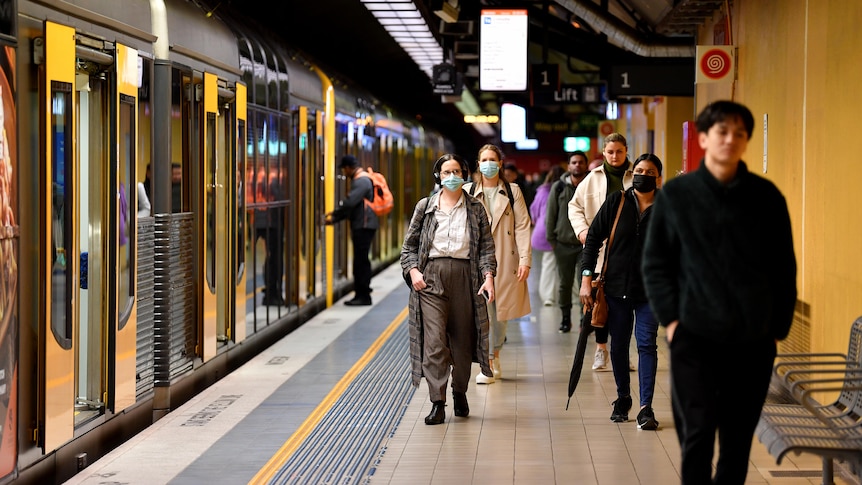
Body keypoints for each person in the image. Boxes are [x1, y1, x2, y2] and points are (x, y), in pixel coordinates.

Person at [642, 101, 797, 484]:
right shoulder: (677, 196)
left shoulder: (766, 197)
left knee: (737, 441)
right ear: (704, 138)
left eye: (739, 134)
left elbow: (784, 267)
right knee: (696, 435)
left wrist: (777, 326)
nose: (730, 139)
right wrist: (673, 321)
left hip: (753, 340)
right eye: (722, 132)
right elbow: (655, 264)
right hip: (694, 337)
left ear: (746, 141)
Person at [401, 153, 497, 425]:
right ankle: (437, 401)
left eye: (457, 171)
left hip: (466, 277)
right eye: (446, 172)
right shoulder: (425, 207)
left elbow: (487, 249)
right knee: (434, 342)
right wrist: (414, 271)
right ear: (438, 176)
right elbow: (408, 247)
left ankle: (459, 391)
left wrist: (488, 276)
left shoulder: (476, 208)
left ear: (464, 175)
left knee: (462, 341)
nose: (452, 177)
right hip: (431, 278)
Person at [580, 153, 663, 429]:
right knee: (618, 345)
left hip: (651, 290)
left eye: (649, 171)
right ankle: (623, 397)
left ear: (658, 178)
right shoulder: (618, 201)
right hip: (615, 288)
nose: (643, 174)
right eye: (639, 170)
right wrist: (585, 279)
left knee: (646, 344)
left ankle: (646, 407)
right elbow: (592, 239)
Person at [465, 144, 531, 384]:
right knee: (481, 312)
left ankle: (495, 355)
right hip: (475, 259)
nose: (489, 163)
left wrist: (525, 260)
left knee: (500, 314)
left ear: (500, 164)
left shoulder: (512, 191)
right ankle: (487, 362)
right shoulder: (468, 190)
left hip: (505, 258)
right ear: (478, 163)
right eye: (484, 159)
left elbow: (523, 226)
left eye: (493, 159)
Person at [568, 133, 633, 371]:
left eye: (619, 152)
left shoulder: (636, 176)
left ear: (626, 151)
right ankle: (601, 350)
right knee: (600, 302)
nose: (615, 156)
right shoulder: (592, 179)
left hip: (627, 251)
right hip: (599, 249)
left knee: (624, 303)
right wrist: (582, 231)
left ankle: (622, 352)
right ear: (604, 153)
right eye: (610, 152)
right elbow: (574, 206)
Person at [324, 155, 379, 306]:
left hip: (364, 225)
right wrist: (335, 218)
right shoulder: (362, 179)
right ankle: (362, 293)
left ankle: (363, 295)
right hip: (363, 224)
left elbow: (350, 203)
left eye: (344, 169)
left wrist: (334, 215)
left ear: (349, 167)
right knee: (361, 260)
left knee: (360, 262)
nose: (344, 172)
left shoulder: (361, 181)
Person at [546, 151, 589, 333]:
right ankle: (565, 319)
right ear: (569, 166)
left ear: (585, 165)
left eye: (580, 162)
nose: (577, 165)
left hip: (585, 246)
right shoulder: (558, 187)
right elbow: (551, 215)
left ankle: (583, 320)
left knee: (583, 283)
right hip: (562, 244)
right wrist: (552, 241)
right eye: (574, 162)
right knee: (564, 284)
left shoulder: (590, 186)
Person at [530, 165, 565, 307]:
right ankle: (574, 296)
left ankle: (548, 296)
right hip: (561, 230)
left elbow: (534, 210)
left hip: (543, 230)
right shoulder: (566, 189)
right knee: (568, 265)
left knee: (548, 264)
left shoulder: (542, 191)